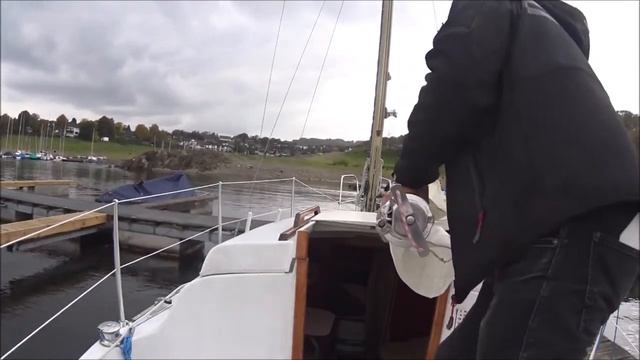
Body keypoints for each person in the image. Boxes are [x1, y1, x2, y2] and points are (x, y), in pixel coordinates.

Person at [393, 1, 639, 358]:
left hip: (572, 222)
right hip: (549, 226)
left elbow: (455, 82)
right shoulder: (543, 29)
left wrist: (411, 178)